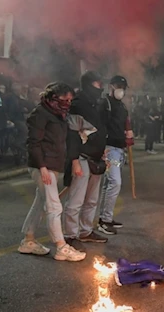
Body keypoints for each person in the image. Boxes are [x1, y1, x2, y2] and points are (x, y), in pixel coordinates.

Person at [19, 82, 86, 261]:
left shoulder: (59, 115)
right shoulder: (40, 114)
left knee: (41, 202)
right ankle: (61, 246)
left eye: (70, 99)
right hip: (43, 166)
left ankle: (28, 240)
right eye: (65, 99)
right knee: (54, 205)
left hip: (52, 164)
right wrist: (42, 168)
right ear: (53, 98)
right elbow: (33, 143)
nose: (68, 103)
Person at [63, 71, 109, 248]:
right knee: (76, 200)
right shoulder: (78, 105)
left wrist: (102, 149)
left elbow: (98, 130)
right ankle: (70, 235)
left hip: (96, 157)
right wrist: (74, 160)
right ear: (89, 85)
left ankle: (86, 231)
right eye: (98, 84)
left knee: (91, 199)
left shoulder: (94, 103)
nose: (100, 88)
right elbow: (73, 135)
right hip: (82, 158)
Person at [98, 75, 133, 235]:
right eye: (118, 86)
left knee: (108, 183)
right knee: (115, 182)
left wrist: (128, 135)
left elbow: (125, 124)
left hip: (119, 150)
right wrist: (101, 147)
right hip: (109, 149)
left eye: (123, 87)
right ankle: (104, 221)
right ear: (111, 86)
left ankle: (106, 217)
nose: (121, 90)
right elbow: (100, 125)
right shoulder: (105, 104)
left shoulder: (121, 106)